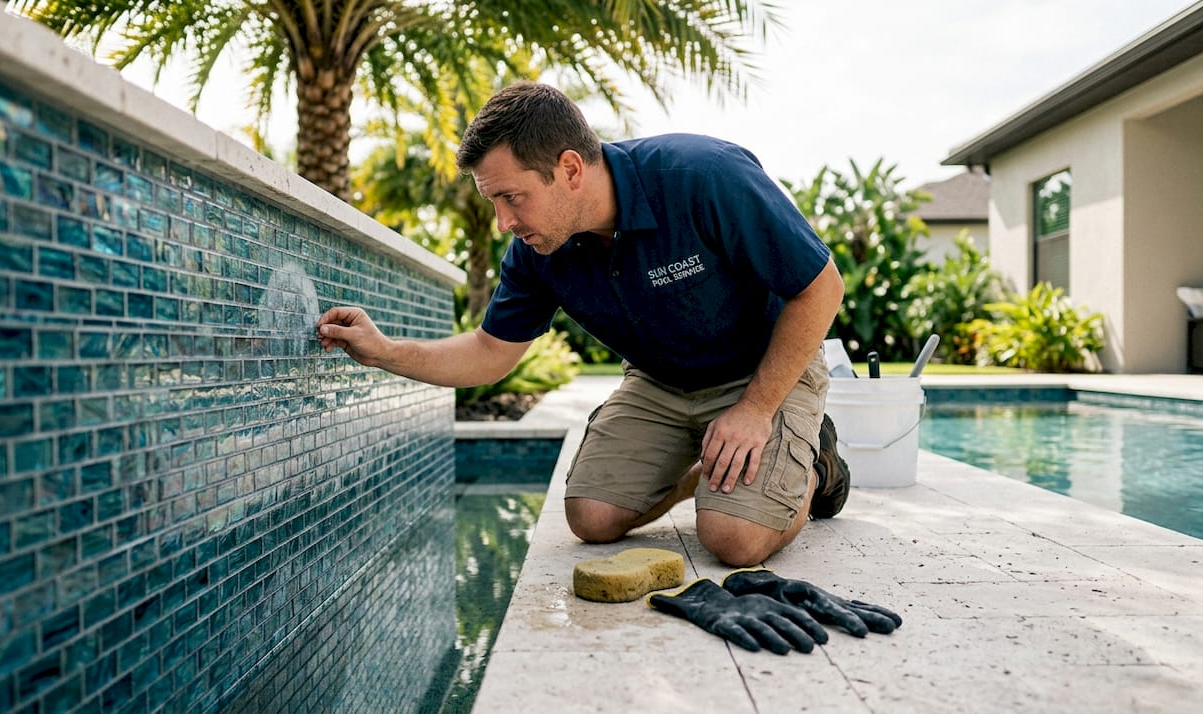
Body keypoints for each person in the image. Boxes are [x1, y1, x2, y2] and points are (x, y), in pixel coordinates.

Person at [317, 82, 850, 567]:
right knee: (591, 518)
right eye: (493, 201)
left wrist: (757, 410)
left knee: (733, 539)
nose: (504, 221)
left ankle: (814, 461)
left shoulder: (703, 176)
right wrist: (383, 351)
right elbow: (487, 352)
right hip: (659, 382)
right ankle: (701, 476)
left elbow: (822, 287)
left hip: (763, 373)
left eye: (511, 197)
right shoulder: (536, 251)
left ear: (570, 169)